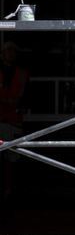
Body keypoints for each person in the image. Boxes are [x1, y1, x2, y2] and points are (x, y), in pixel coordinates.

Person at [0, 41, 28, 197]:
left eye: (13, 50)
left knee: (13, 159)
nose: (10, 53)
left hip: (13, 121)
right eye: (7, 50)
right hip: (1, 119)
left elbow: (24, 97)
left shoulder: (22, 73)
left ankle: (10, 192)